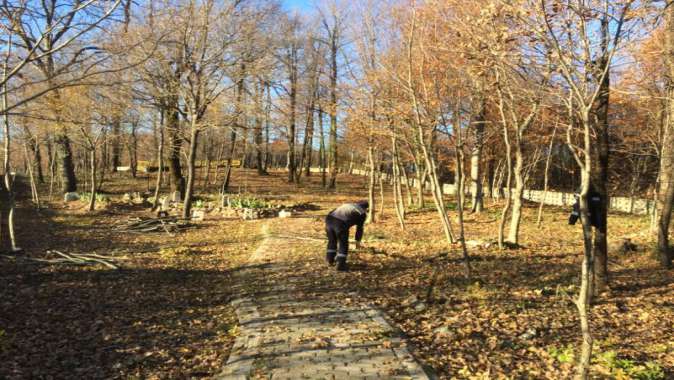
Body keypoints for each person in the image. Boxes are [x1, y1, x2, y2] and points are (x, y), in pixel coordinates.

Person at [325, 200, 368, 271]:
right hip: (340, 223)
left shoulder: (348, 205)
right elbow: (359, 229)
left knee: (332, 241)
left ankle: (329, 260)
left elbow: (331, 212)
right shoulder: (362, 213)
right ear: (366, 208)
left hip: (329, 220)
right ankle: (340, 265)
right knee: (343, 244)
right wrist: (357, 241)